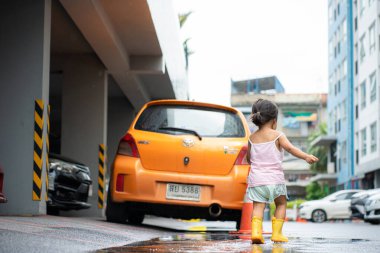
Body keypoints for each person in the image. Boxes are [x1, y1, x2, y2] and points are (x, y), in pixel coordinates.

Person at [246, 99, 318, 244]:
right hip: (275, 180)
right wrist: (306, 156)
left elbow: (249, 159)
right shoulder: (278, 135)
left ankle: (256, 233)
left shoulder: (251, 138)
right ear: (274, 120)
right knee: (281, 204)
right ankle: (277, 234)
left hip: (257, 180)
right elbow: (291, 149)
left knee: (258, 206)